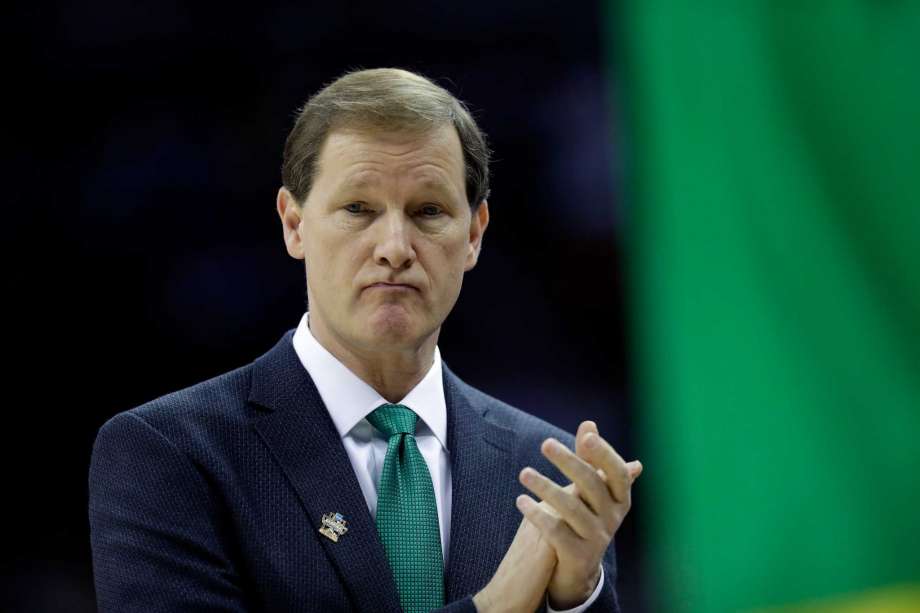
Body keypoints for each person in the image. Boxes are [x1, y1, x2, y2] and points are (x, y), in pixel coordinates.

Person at [89, 67, 642, 613]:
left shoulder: (550, 475)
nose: (395, 247)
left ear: (474, 234)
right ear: (294, 224)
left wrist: (574, 599)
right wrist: (496, 606)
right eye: (359, 209)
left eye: (428, 211)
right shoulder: (170, 455)